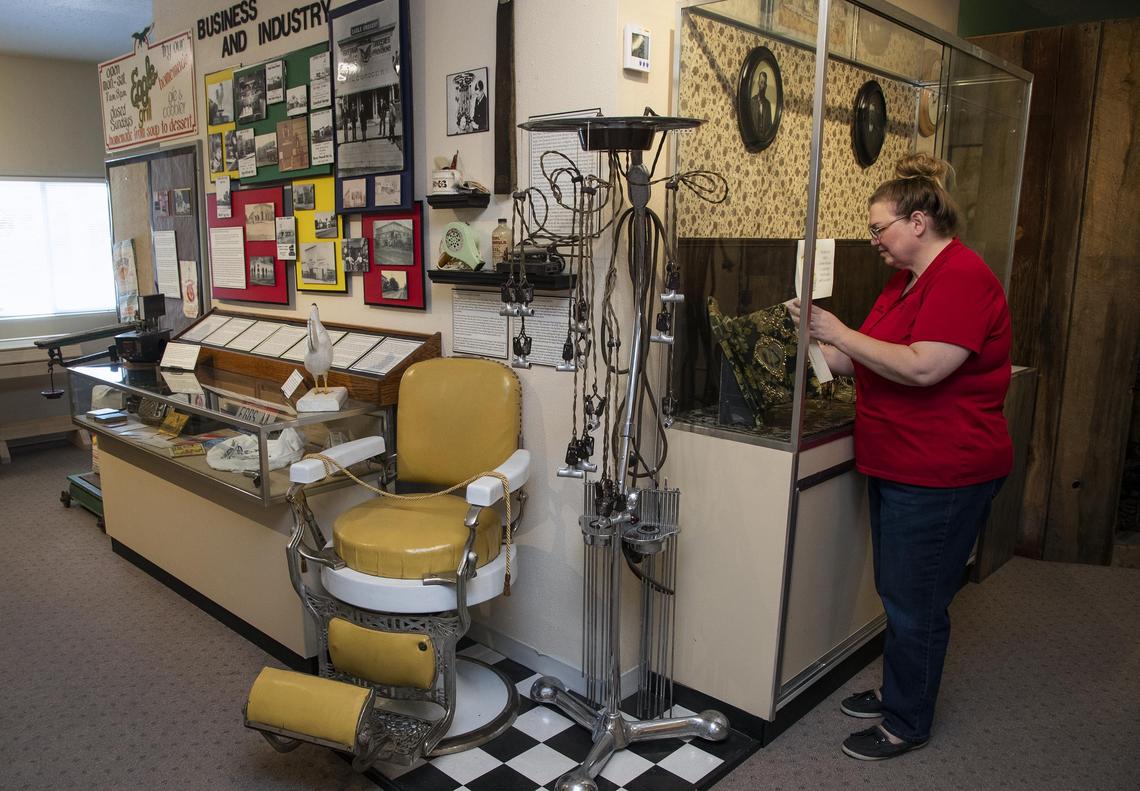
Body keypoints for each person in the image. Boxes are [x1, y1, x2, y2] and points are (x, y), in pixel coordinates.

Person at [787, 153, 1012, 761]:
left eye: (878, 228)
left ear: (918, 221)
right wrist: (809, 337)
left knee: (916, 602)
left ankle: (906, 721)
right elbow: (858, 358)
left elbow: (924, 367)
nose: (874, 241)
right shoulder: (904, 282)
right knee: (897, 590)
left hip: (943, 471)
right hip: (897, 462)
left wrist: (838, 333)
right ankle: (897, 692)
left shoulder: (962, 277)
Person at [752, 69, 772, 138]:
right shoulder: (752, 101)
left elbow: (770, 126)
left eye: (764, 83)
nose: (763, 86)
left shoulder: (768, 104)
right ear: (758, 83)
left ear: (766, 86)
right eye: (761, 82)